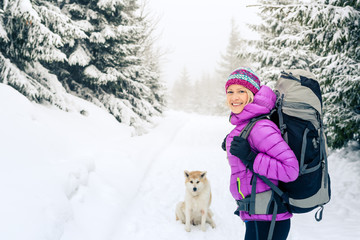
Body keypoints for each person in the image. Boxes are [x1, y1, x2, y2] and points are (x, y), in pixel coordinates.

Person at [222, 67, 299, 240]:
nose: (234, 97)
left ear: (252, 94)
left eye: (241, 91)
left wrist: (251, 157)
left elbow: (290, 170)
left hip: (269, 218)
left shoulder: (261, 127)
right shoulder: (247, 125)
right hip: (256, 213)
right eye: (230, 91)